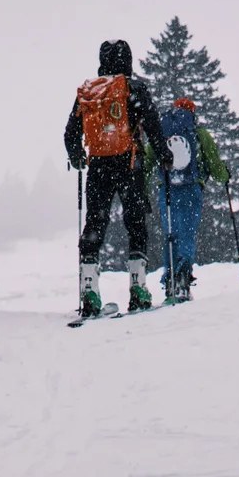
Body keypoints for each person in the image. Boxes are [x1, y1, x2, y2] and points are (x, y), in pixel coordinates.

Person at [65, 39, 171, 315]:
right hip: (130, 165)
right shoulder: (135, 89)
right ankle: (138, 288)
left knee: (94, 225)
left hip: (98, 167)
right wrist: (164, 156)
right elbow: (154, 128)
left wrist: (77, 154)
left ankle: (89, 292)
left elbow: (70, 133)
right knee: (135, 224)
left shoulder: (90, 93)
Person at [153, 97, 228, 302]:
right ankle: (183, 280)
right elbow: (215, 166)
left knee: (171, 235)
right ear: (193, 113)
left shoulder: (162, 133)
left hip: (166, 190)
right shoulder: (199, 134)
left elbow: (150, 158)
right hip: (191, 190)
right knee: (187, 234)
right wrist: (225, 176)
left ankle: (170, 282)